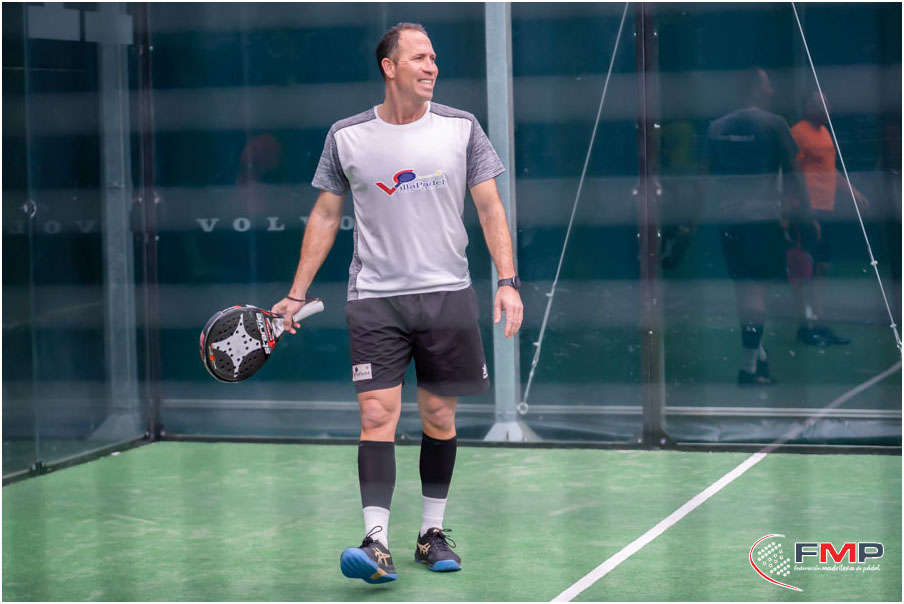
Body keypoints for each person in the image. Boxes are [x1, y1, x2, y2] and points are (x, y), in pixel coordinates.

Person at [270, 22, 523, 584]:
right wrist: (295, 294)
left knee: (439, 416)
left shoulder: (462, 128)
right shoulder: (347, 137)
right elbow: (326, 215)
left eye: (434, 58)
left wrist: (508, 280)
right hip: (376, 300)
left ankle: (431, 533)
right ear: (389, 67)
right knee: (377, 415)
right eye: (420, 58)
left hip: (447, 295)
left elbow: (490, 208)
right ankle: (376, 542)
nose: (432, 67)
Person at [703, 67, 816, 386]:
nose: (771, 90)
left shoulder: (716, 127)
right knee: (756, 294)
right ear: (755, 88)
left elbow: (703, 176)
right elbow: (794, 173)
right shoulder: (775, 124)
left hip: (729, 223)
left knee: (745, 292)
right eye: (767, 85)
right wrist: (807, 215)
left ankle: (759, 354)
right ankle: (748, 367)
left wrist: (689, 225)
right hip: (761, 221)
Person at [788, 91, 869, 346]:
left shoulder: (825, 132)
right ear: (808, 106)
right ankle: (804, 327)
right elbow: (792, 172)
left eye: (828, 102)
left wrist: (853, 192)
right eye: (822, 103)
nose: (828, 107)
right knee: (805, 270)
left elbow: (830, 170)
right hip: (805, 211)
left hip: (826, 209)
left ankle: (820, 324)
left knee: (821, 268)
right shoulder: (798, 133)